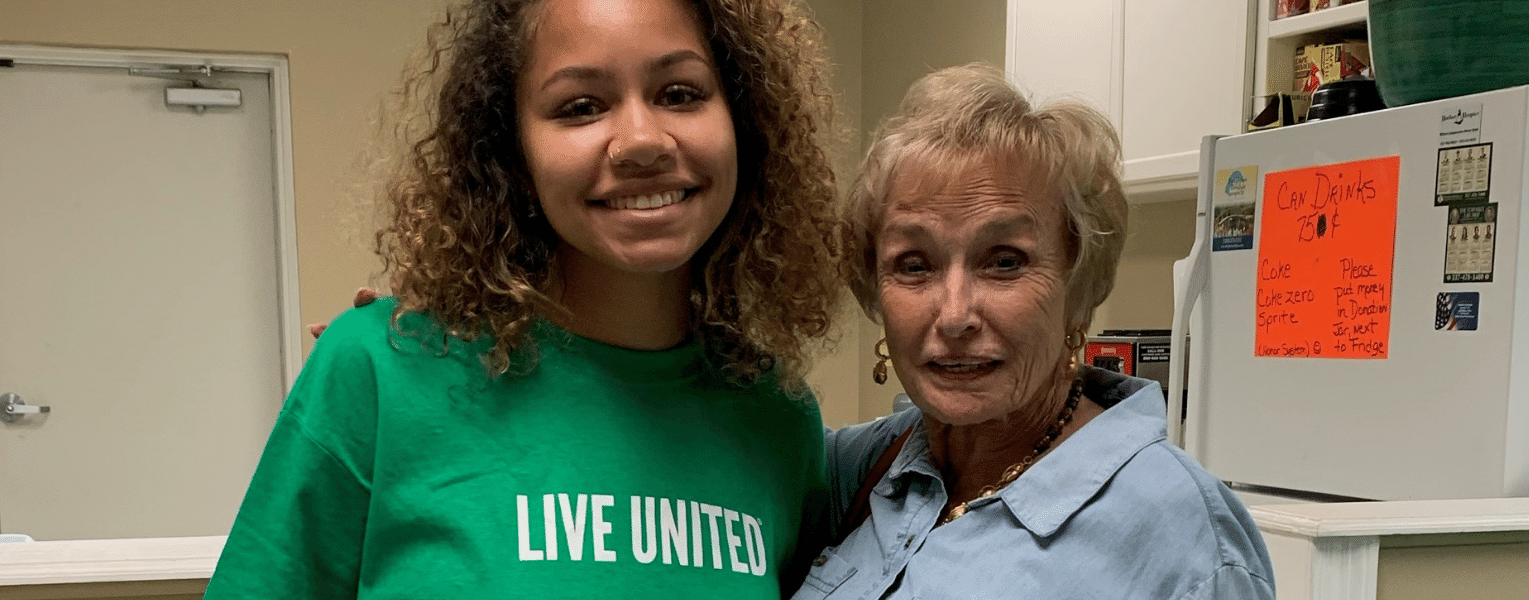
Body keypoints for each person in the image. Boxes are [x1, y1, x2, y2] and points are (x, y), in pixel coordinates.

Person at [205, 0, 843, 597]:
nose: (642, 140)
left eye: (680, 94)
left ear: (743, 122)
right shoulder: (377, 368)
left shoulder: (779, 422)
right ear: (511, 152)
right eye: (580, 107)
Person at [795, 64, 1274, 599]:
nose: (955, 316)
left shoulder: (1181, 536)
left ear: (1078, 278)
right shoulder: (861, 469)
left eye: (1003, 261)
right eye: (913, 264)